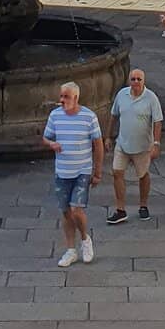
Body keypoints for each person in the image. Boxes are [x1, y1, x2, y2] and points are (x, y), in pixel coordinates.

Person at [42, 81, 103, 267]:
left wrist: (97, 171)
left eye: (66, 97)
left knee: (77, 210)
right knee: (66, 212)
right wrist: (51, 144)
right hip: (62, 171)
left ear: (76, 97)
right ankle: (70, 250)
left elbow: (98, 145)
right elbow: (46, 137)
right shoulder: (55, 116)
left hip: (81, 171)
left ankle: (85, 240)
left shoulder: (88, 117)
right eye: (61, 96)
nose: (62, 100)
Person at [105, 67, 163, 224]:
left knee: (143, 175)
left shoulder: (151, 98)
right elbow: (113, 116)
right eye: (133, 79)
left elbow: (157, 122)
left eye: (139, 79)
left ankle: (143, 205)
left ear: (144, 81)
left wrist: (156, 143)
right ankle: (120, 209)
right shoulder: (121, 95)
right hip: (122, 143)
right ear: (129, 81)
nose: (136, 82)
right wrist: (108, 137)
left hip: (143, 146)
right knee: (117, 173)